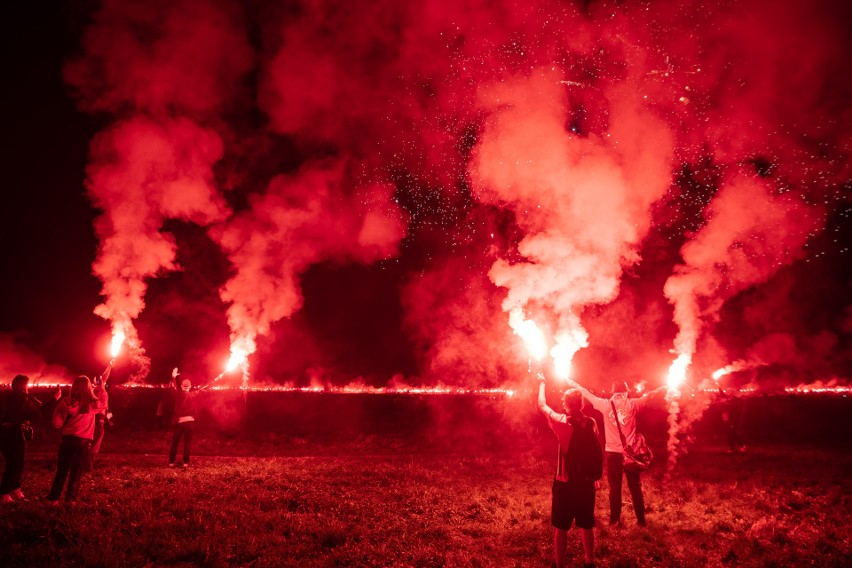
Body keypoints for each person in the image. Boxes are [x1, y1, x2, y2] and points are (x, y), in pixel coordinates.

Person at [566, 378, 664, 527]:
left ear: (613, 392)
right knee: (635, 487)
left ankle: (614, 521)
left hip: (612, 453)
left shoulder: (605, 405)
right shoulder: (633, 404)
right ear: (625, 392)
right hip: (630, 454)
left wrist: (573, 383)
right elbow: (649, 396)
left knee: (614, 488)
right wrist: (663, 388)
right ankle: (641, 521)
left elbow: (587, 394)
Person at [537, 374, 602, 568]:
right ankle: (590, 562)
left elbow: (542, 405)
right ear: (581, 404)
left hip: (564, 483)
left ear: (566, 404)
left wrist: (542, 382)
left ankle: (560, 564)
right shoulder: (591, 422)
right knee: (587, 525)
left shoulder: (561, 422)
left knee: (560, 527)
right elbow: (592, 451)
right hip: (585, 482)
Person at [47, 376, 105, 504]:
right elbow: (104, 403)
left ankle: (53, 499)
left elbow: (56, 423)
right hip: (83, 442)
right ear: (89, 387)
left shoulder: (66, 402)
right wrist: (101, 388)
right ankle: (70, 501)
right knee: (76, 473)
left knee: (61, 471)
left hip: (67, 439)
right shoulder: (93, 403)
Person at [0, 375, 44, 503]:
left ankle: (16, 489)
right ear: (22, 386)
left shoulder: (7, 397)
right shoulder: (21, 399)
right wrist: (54, 399)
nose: (28, 387)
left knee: (16, 463)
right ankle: (4, 493)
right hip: (12, 434)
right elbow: (37, 412)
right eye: (27, 384)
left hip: (6, 433)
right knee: (15, 464)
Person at [85, 360, 114, 472]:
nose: (102, 380)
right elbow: (104, 377)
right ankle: (88, 466)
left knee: (91, 443)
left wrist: (109, 417)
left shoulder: (93, 391)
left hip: (96, 420)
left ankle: (87, 464)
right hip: (98, 421)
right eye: (99, 380)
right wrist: (110, 365)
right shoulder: (99, 390)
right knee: (94, 445)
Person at [168, 370, 198, 468]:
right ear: (190, 387)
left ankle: (171, 462)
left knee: (175, 442)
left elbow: (172, 388)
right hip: (191, 422)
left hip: (180, 422)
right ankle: (185, 463)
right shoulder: (194, 395)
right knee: (188, 443)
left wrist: (173, 377)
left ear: (181, 387)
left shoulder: (178, 394)